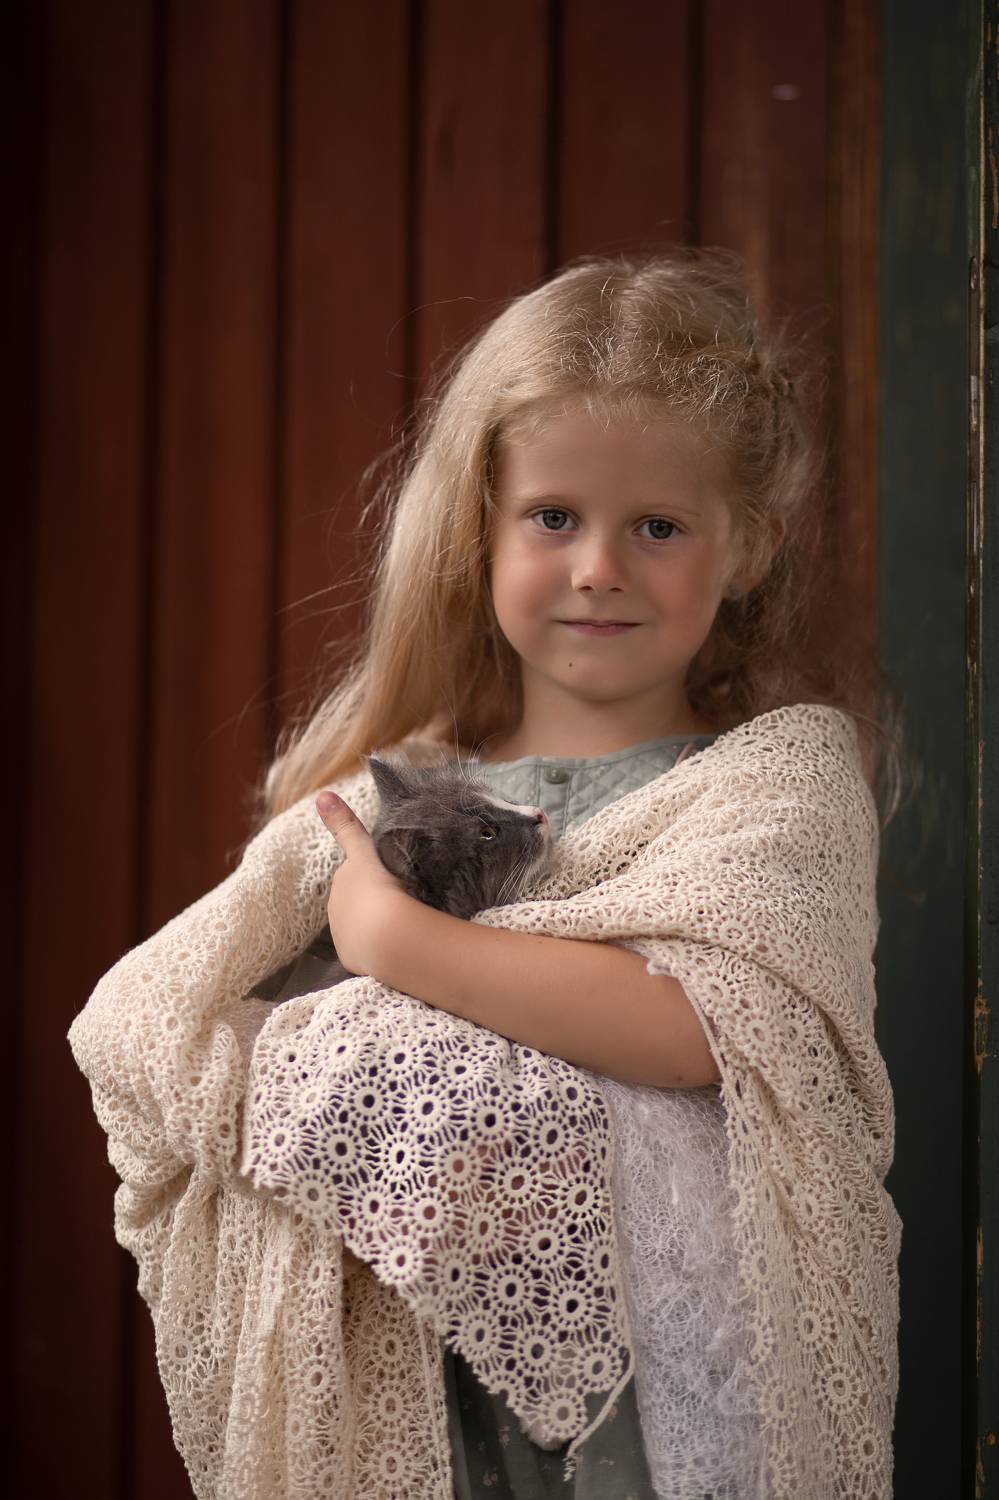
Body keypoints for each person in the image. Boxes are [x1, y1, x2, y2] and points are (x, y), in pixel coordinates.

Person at [69, 248, 904, 1500]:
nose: (599, 567)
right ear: (484, 525)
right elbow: (172, 1024)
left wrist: (400, 950)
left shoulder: (772, 785)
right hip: (425, 1383)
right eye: (554, 517)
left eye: (658, 527)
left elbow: (705, 1031)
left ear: (747, 547)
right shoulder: (392, 795)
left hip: (656, 1395)